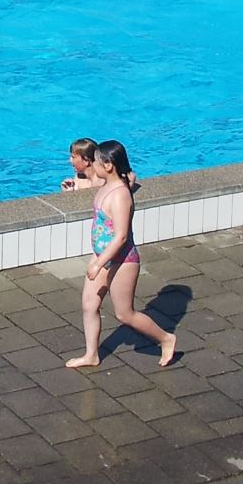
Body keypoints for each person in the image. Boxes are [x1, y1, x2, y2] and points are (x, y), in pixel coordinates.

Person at [67, 141, 177, 369]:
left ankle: (166, 339)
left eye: (96, 162)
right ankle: (91, 355)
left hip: (121, 261)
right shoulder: (106, 185)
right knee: (89, 305)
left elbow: (121, 237)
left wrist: (99, 264)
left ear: (108, 166)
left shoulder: (120, 195)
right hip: (102, 256)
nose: (93, 166)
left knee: (124, 314)